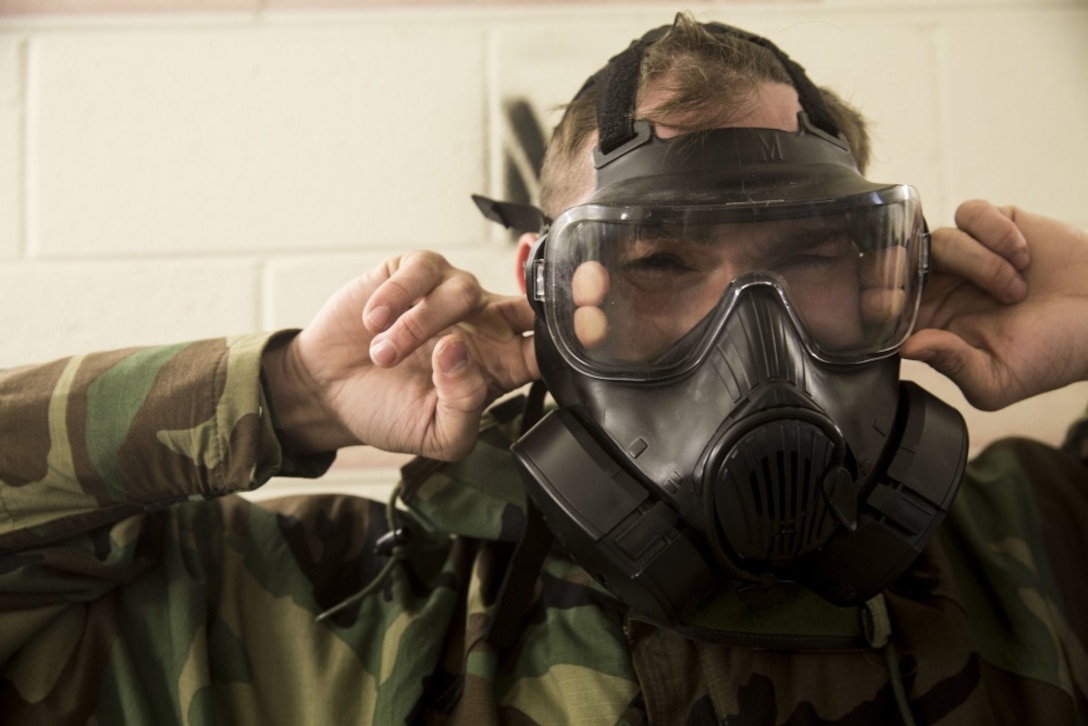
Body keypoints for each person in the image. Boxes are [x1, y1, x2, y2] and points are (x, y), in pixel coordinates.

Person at [1, 13, 1086, 725]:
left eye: (809, 257)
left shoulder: (1037, 545)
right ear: (547, 287)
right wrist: (288, 395)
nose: (752, 343)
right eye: (657, 262)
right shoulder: (337, 606)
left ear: (885, 277)